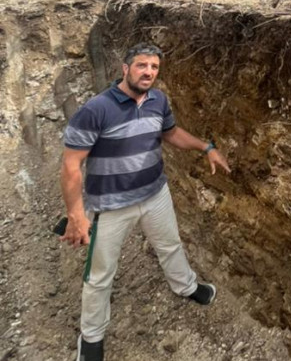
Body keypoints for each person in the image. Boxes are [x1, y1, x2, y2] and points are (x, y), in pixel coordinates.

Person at [60, 43, 231, 361]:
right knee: (100, 275)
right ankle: (92, 338)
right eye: (141, 65)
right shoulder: (97, 109)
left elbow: (171, 133)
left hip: (155, 194)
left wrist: (206, 147)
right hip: (111, 206)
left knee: (170, 246)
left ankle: (186, 287)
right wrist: (76, 215)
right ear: (125, 69)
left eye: (153, 67)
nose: (148, 72)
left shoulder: (158, 100)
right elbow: (71, 166)